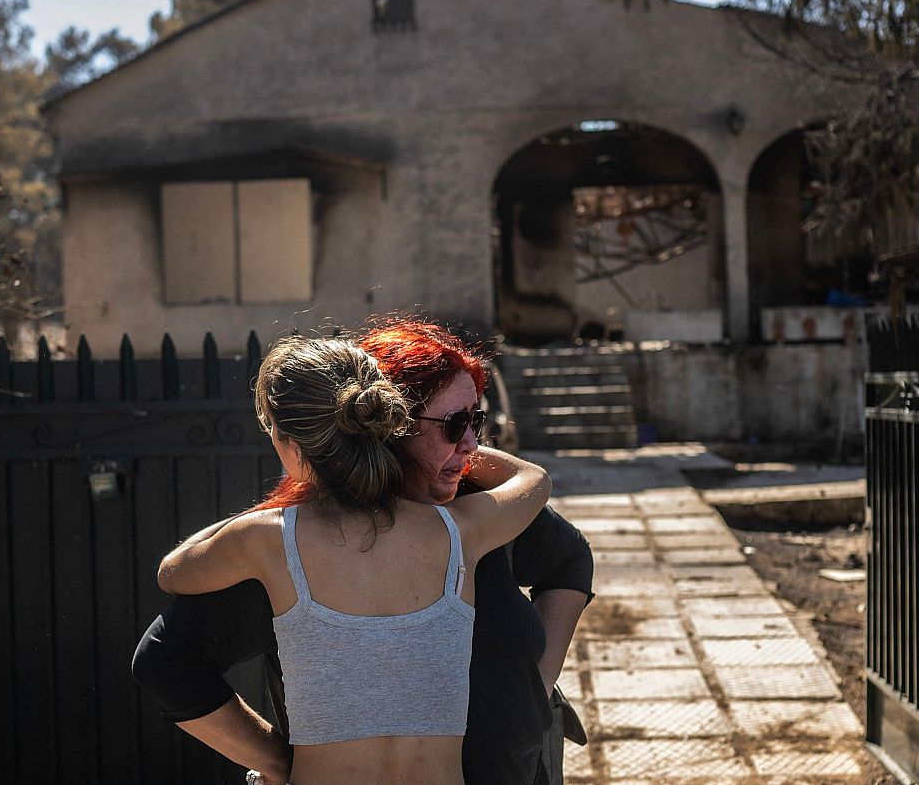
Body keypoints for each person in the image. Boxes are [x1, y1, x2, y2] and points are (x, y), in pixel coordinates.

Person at [135, 320, 595, 784]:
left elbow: (172, 572)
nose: (470, 445)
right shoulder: (461, 532)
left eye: (474, 422)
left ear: (287, 443)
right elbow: (534, 482)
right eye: (455, 425)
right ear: (389, 424)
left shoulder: (266, 543)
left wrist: (260, 522)